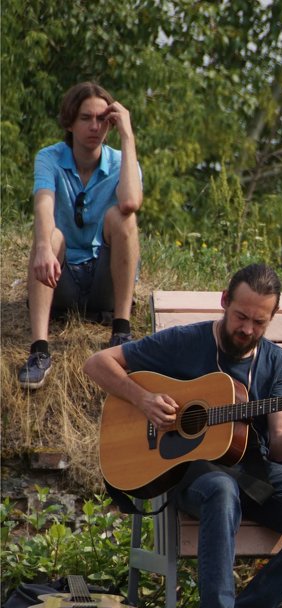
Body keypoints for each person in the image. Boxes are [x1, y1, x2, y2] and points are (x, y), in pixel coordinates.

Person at [83, 264, 282, 608]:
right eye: (241, 316)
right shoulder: (185, 342)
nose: (247, 329)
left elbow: (277, 448)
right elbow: (97, 363)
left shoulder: (275, 362)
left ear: (271, 318)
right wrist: (143, 399)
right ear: (224, 302)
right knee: (221, 490)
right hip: (184, 469)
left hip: (251, 469)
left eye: (259, 322)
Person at [22, 82, 142, 390]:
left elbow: (130, 202)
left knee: (123, 218)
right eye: (86, 118)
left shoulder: (119, 161)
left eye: (103, 119)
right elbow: (44, 203)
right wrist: (44, 248)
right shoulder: (49, 158)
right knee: (51, 236)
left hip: (104, 282)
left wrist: (128, 136)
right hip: (60, 277)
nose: (95, 126)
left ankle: (121, 331)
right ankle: (39, 352)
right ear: (70, 122)